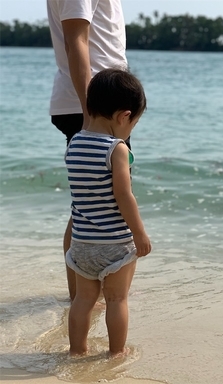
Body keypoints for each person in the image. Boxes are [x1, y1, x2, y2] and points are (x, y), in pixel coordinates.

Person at [65, 68, 151, 357]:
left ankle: (77, 351)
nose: (131, 130)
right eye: (134, 123)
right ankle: (117, 353)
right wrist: (139, 233)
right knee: (116, 299)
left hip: (82, 244)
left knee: (82, 301)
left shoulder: (75, 143)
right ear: (123, 116)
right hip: (115, 243)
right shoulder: (117, 149)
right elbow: (123, 195)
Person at [46, 0, 128, 301]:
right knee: (101, 204)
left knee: (92, 204)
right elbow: (75, 40)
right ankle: (84, 296)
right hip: (94, 107)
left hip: (102, 105)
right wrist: (90, 113)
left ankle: (85, 295)